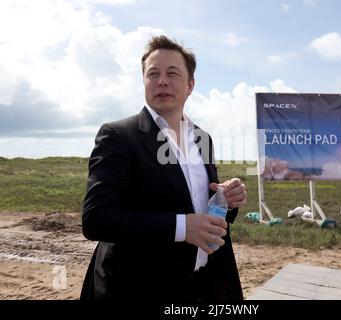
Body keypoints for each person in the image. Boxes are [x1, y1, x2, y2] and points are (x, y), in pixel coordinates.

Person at [80, 35, 247, 300]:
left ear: (190, 85)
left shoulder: (202, 138)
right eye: (152, 74)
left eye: (173, 73)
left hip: (202, 284)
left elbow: (200, 207)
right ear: (144, 82)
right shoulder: (119, 136)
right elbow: (96, 220)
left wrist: (225, 200)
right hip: (137, 288)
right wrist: (182, 227)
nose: (162, 81)